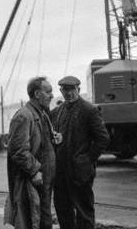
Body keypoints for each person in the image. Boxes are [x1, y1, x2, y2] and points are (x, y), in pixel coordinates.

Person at [51, 76, 110, 229]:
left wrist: (87, 159)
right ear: (61, 91)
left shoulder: (89, 110)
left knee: (84, 212)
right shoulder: (58, 111)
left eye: (72, 89)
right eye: (65, 90)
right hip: (61, 171)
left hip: (80, 171)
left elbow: (103, 138)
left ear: (79, 89)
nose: (69, 93)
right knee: (63, 211)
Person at [5, 76, 56, 229]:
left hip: (45, 181)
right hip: (33, 181)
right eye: (48, 92)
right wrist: (34, 171)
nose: (52, 95)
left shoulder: (41, 114)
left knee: (43, 220)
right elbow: (18, 150)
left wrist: (55, 139)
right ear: (37, 94)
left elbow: (41, 143)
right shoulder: (24, 116)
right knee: (33, 221)